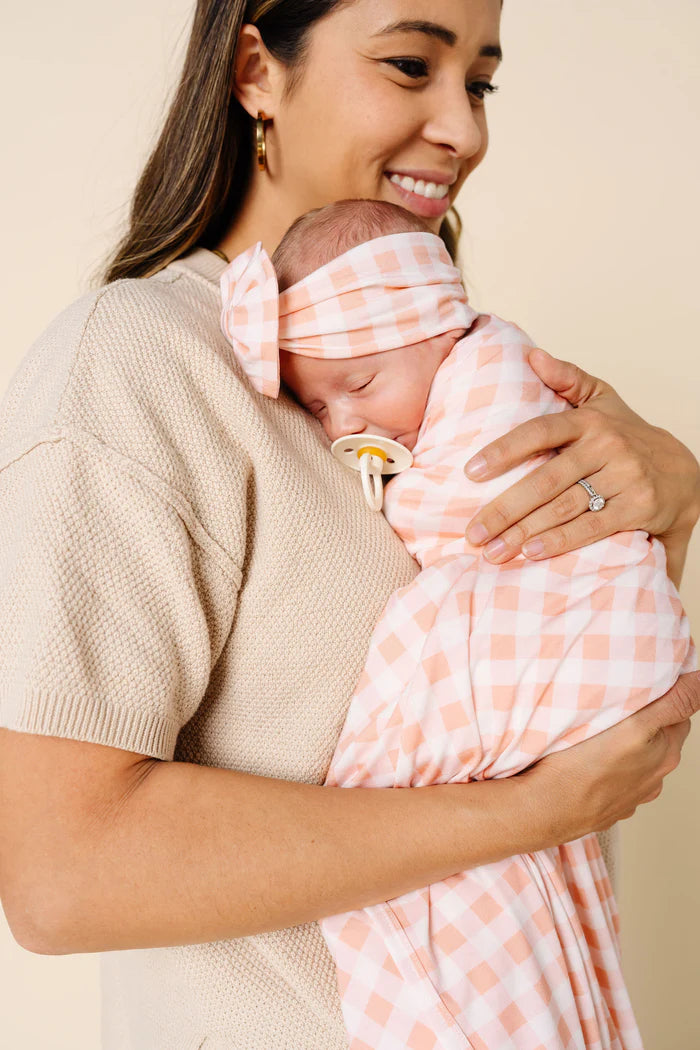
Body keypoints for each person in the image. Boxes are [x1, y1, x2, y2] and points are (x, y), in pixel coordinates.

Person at [0, 3, 698, 1048]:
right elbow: (62, 873)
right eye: (411, 65)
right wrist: (532, 814)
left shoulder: (452, 384)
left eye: (481, 81)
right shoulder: (141, 366)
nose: (463, 129)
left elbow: (577, 691)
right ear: (254, 72)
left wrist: (670, 499)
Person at [221, 196, 694, 1048]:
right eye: (319, 408)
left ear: (440, 333)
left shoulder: (492, 376)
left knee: (386, 756)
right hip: (578, 693)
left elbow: (477, 509)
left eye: (359, 386)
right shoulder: (146, 352)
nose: (346, 425)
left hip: (576, 620)